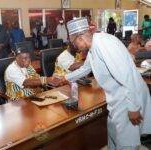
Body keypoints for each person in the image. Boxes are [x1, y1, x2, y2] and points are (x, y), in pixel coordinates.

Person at [57, 18, 151, 149]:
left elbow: (127, 76)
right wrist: (65, 78)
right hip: (116, 97)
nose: (75, 47)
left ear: (79, 38)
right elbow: (86, 68)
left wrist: (133, 107)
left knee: (126, 142)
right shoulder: (94, 45)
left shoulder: (104, 44)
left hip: (127, 97)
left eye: (73, 43)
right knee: (113, 134)